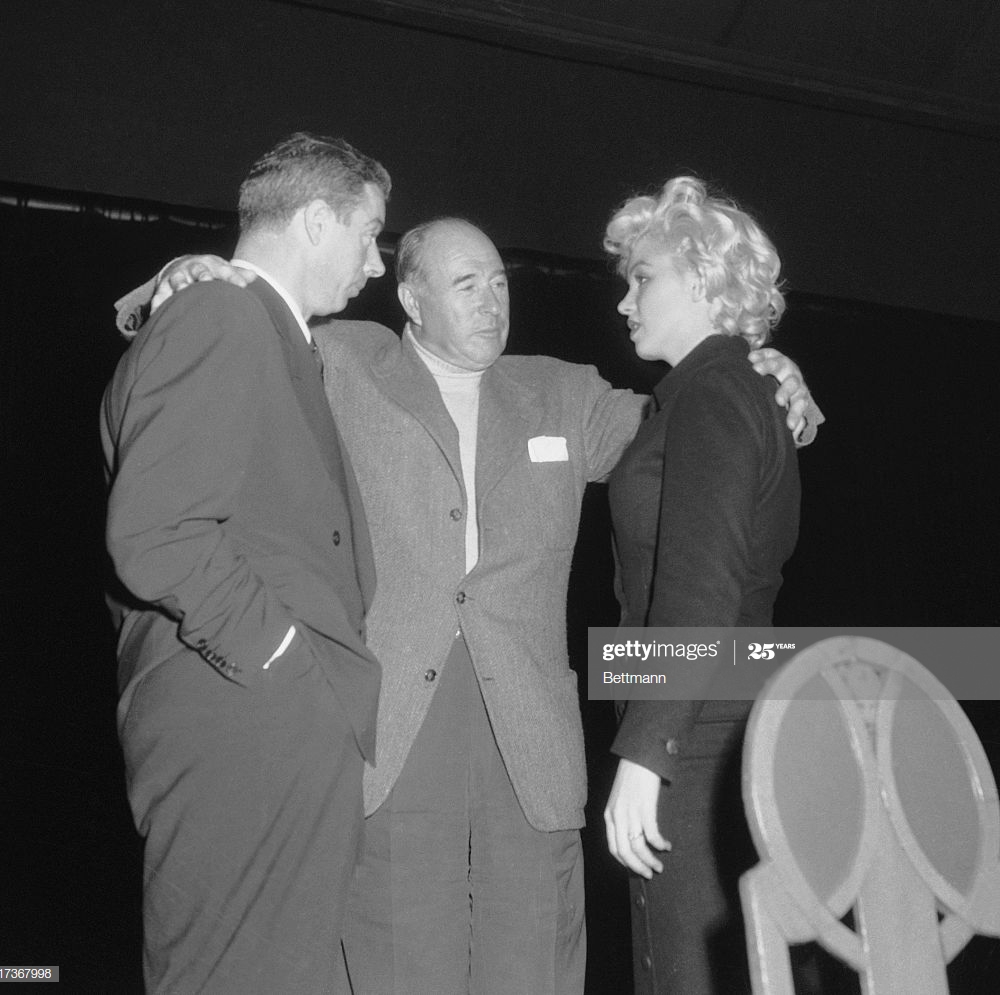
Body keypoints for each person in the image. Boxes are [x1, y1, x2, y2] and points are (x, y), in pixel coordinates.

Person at [117, 216, 817, 994]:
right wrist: (181, 274)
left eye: (499, 281)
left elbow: (692, 429)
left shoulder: (563, 393)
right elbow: (250, 319)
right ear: (411, 298)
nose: (491, 300)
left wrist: (766, 373)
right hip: (395, 734)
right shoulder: (343, 360)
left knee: (531, 969)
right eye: (465, 283)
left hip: (531, 746)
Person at [101, 133, 389, 994]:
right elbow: (157, 531)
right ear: (312, 220)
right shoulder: (219, 314)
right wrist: (282, 659)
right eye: (370, 232)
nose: (376, 263)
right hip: (247, 717)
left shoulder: (261, 324)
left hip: (268, 724)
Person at [602, 177, 802, 994]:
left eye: (641, 276)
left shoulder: (714, 392)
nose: (624, 300)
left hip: (701, 735)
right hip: (717, 725)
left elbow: (701, 591)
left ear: (703, 276)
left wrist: (646, 754)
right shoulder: (715, 390)